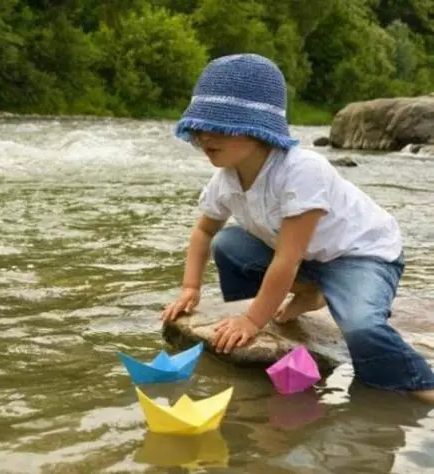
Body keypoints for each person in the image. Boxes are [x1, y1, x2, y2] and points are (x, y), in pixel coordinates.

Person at [159, 53, 434, 403]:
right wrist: (190, 288)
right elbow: (204, 233)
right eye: (199, 126)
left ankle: (418, 383)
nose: (204, 137)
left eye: (220, 126)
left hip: (362, 255)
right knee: (228, 243)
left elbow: (287, 260)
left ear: (259, 129)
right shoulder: (225, 180)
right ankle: (308, 297)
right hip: (309, 257)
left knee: (362, 327)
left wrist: (252, 321)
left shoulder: (301, 171)